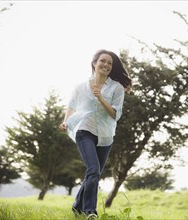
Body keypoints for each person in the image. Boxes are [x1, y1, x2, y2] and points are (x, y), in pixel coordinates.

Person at [59, 49, 132, 219]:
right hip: (84, 130)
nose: (106, 65)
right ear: (94, 63)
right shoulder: (81, 86)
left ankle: (77, 206)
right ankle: (90, 212)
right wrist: (66, 121)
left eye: (109, 63)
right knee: (93, 169)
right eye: (103, 61)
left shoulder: (117, 88)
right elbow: (71, 105)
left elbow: (115, 114)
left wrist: (101, 98)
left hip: (105, 135)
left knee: (94, 173)